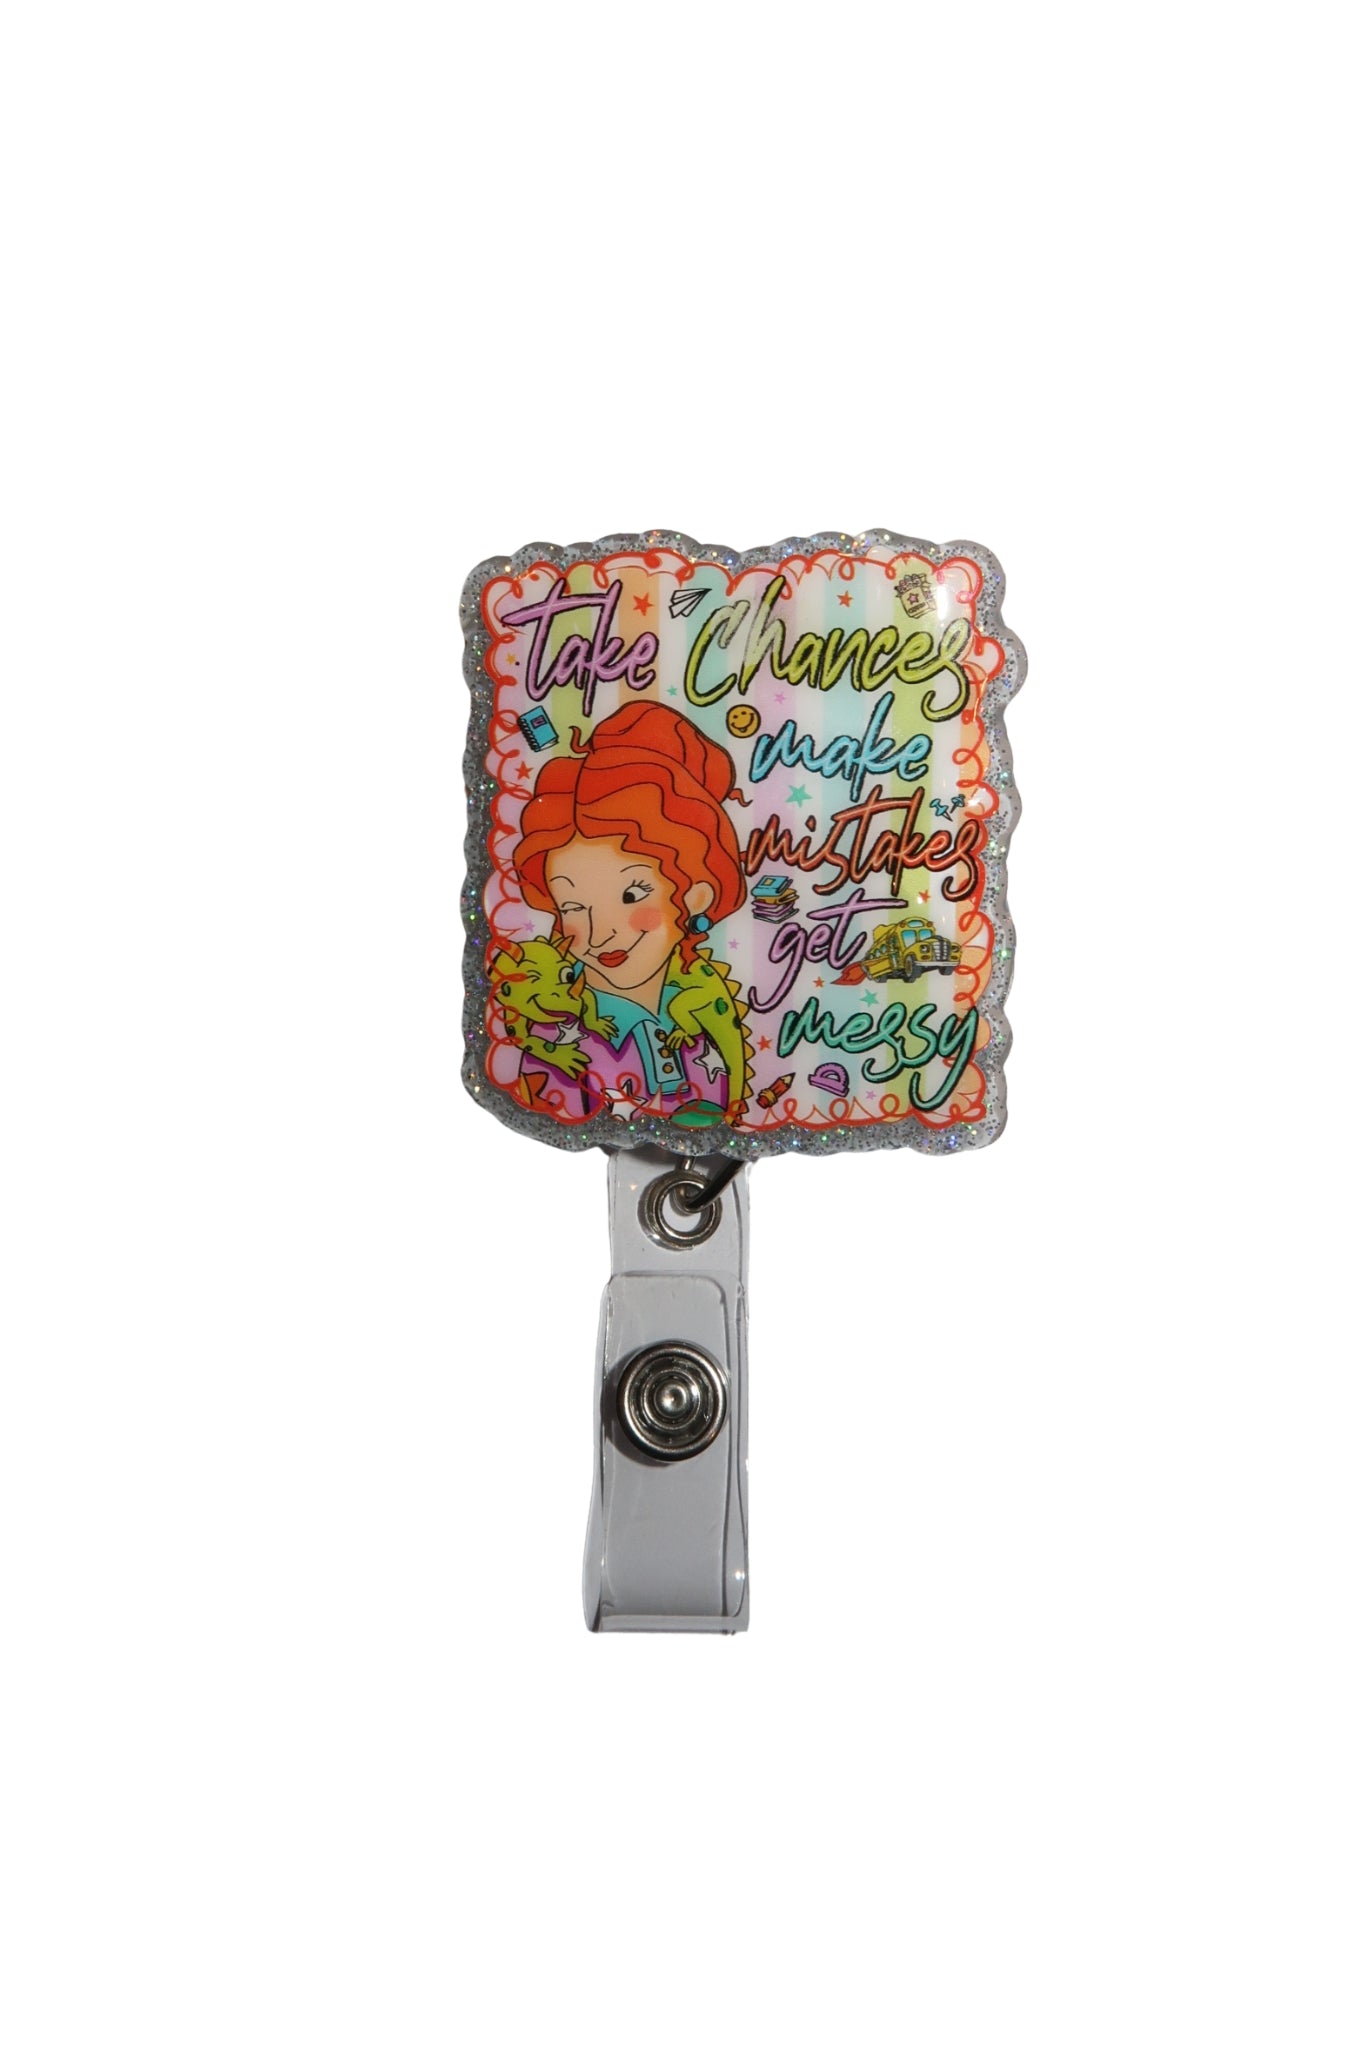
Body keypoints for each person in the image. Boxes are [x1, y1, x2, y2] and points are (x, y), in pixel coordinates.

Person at [504, 701, 749, 1126]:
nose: (600, 934)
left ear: (697, 895)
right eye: (573, 907)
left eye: (633, 894)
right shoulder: (556, 1035)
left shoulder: (700, 1015)